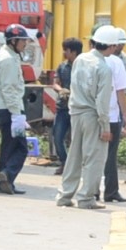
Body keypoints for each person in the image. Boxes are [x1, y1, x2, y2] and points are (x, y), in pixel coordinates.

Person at [56, 27, 118, 209]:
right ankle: (86, 198)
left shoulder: (80, 59)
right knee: (94, 157)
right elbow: (102, 101)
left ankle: (65, 195)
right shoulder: (104, 68)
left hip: (76, 112)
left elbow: (74, 86)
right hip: (92, 114)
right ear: (111, 46)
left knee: (74, 155)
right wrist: (105, 126)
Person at [0, 23, 34, 195]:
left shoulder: (10, 55)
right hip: (11, 109)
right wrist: (16, 114)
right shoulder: (7, 59)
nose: (25, 44)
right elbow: (8, 89)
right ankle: (7, 174)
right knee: (21, 148)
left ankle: (5, 183)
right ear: (13, 41)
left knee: (8, 146)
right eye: (22, 41)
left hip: (8, 108)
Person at [102, 34, 126, 204]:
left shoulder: (85, 60)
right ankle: (111, 191)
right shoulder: (116, 62)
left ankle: (91, 191)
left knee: (92, 154)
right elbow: (120, 92)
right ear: (113, 45)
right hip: (112, 116)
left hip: (92, 115)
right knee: (110, 155)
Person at [49, 37, 83, 171]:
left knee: (77, 139)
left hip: (79, 109)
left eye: (66, 50)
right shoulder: (62, 66)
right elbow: (55, 83)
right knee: (57, 137)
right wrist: (61, 90)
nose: (64, 53)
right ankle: (65, 162)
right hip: (63, 108)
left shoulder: (84, 67)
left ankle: (75, 166)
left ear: (73, 52)